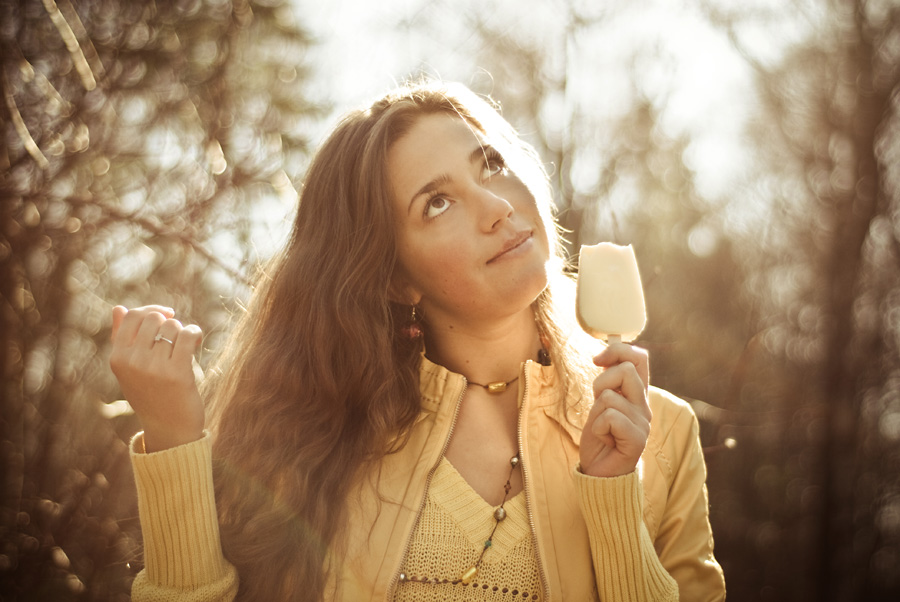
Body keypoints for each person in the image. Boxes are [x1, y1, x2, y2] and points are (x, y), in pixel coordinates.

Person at [110, 79, 726, 602]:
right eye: (437, 203)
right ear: (396, 277)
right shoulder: (319, 439)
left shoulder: (663, 434)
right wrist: (173, 437)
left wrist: (615, 497)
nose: (496, 207)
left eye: (490, 164)